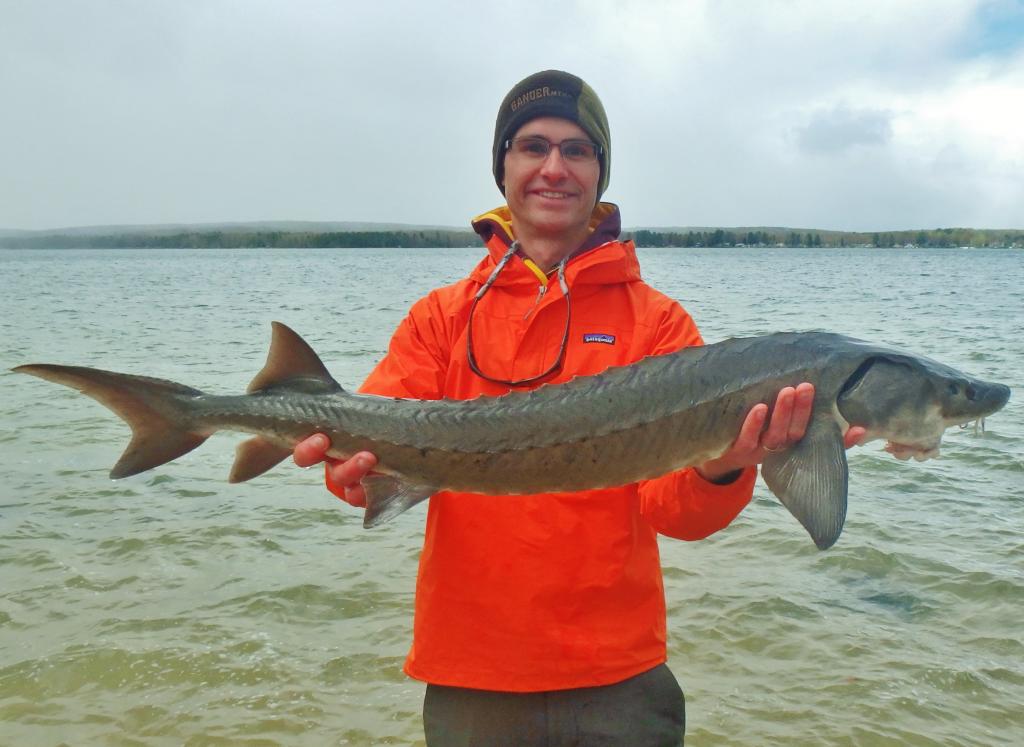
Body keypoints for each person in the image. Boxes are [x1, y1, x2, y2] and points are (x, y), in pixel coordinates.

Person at [294, 70, 864, 746]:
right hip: (473, 672)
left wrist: (726, 465)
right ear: (503, 166)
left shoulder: (658, 325)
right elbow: (371, 458)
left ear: (601, 171)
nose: (554, 168)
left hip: (617, 679)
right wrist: (345, 472)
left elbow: (675, 515)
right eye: (532, 146)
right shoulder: (441, 319)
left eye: (578, 149)